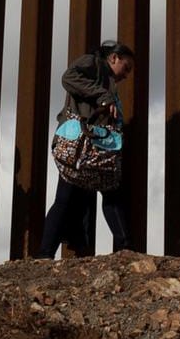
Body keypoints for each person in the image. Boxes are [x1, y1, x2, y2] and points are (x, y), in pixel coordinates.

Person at [38, 41, 135, 258]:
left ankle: (48, 253)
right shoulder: (93, 62)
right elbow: (69, 77)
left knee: (76, 199)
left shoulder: (109, 82)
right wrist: (102, 95)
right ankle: (124, 248)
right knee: (104, 196)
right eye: (126, 67)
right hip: (83, 146)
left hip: (90, 149)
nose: (126, 75)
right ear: (114, 58)